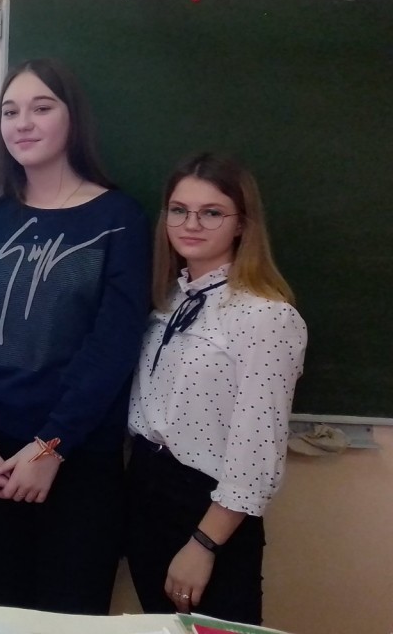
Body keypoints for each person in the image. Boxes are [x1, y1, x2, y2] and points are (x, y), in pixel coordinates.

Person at [0, 58, 151, 614]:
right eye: (10, 112)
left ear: (72, 118)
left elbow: (114, 347)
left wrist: (51, 445)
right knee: (4, 613)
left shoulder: (119, 218)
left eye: (41, 108)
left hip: (76, 460)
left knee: (71, 619)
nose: (23, 123)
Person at [126, 152, 307, 625]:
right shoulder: (168, 301)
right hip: (145, 489)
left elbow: (257, 451)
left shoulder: (266, 317)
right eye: (179, 210)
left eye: (211, 212)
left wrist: (203, 544)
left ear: (242, 224)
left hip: (206, 507)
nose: (191, 224)